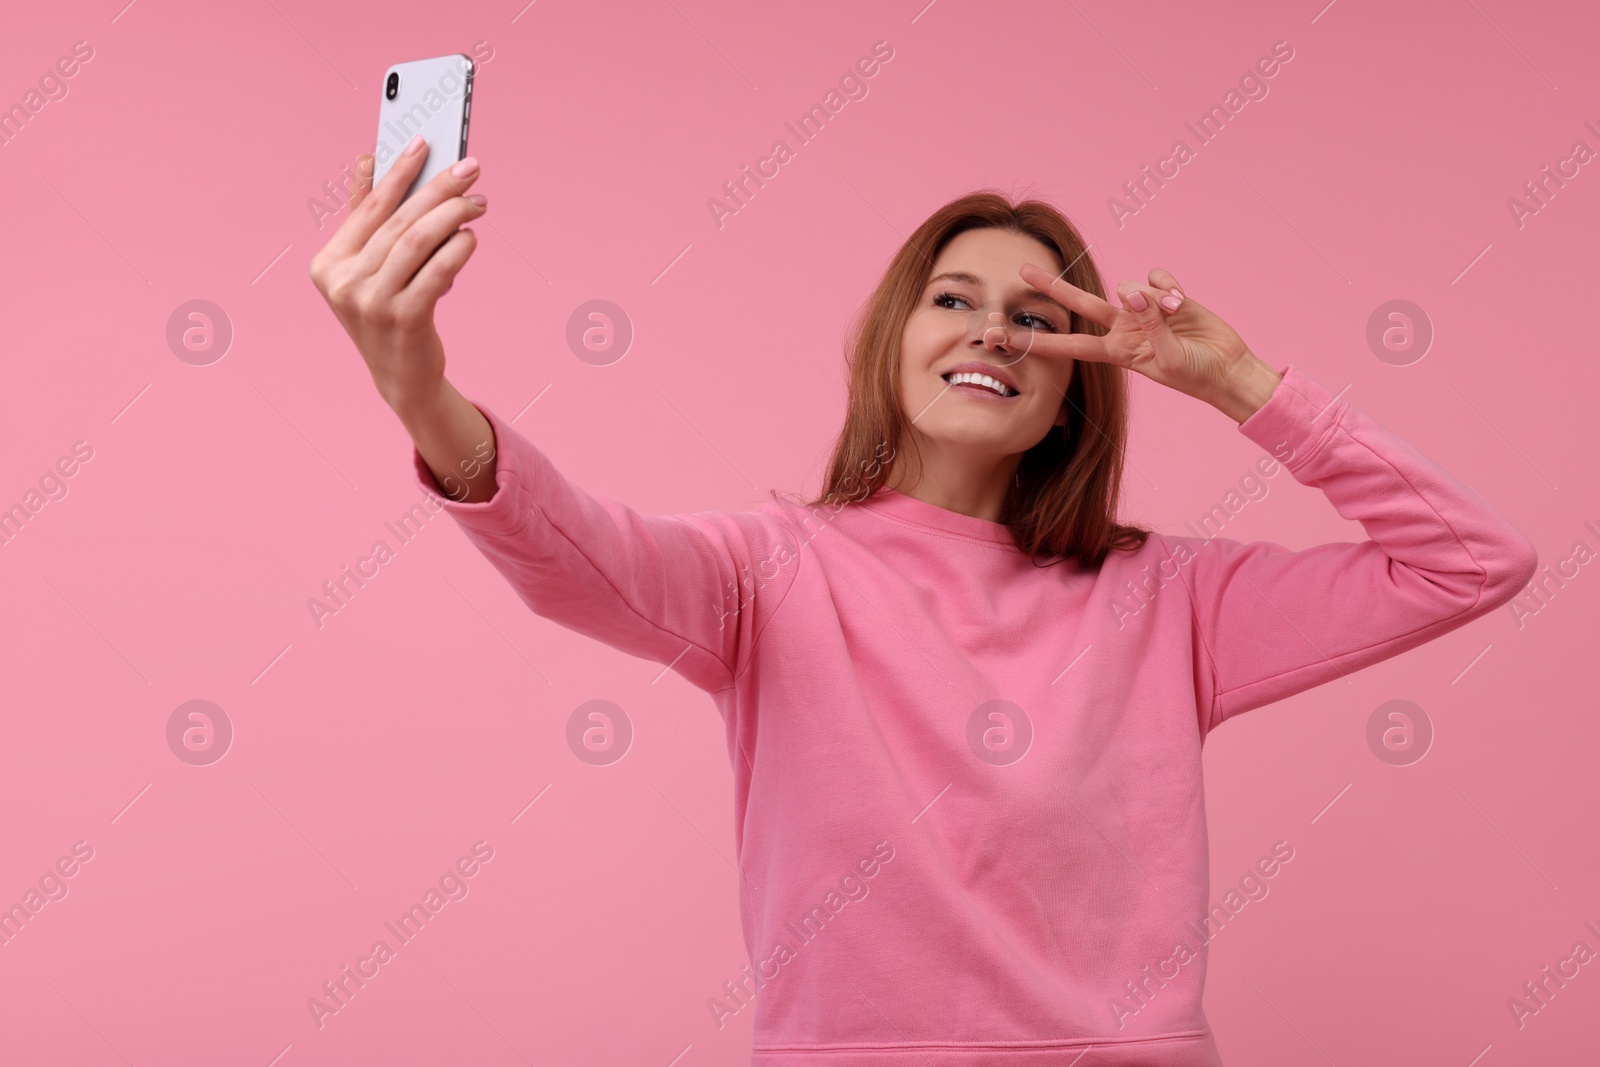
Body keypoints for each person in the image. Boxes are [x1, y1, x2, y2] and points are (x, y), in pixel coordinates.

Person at [311, 135, 1538, 1066]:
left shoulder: (1166, 594)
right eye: (953, 298)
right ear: (892, 339)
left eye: (1040, 318)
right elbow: (575, 551)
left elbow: (1468, 560)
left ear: (1073, 391)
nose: (993, 331)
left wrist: (1241, 384)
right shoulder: (764, 569)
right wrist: (421, 389)